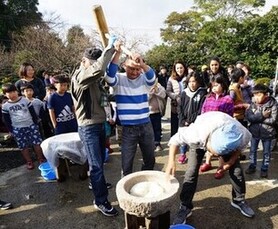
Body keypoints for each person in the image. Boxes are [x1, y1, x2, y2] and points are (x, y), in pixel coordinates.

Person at [165, 111, 255, 225]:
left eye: (218, 155)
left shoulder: (241, 134)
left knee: (236, 170)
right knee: (191, 172)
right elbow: (174, 140)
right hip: (206, 128)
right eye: (215, 154)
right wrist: (171, 162)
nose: (217, 157)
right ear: (208, 144)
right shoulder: (195, 133)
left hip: (224, 127)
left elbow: (239, 149)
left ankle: (239, 200)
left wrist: (230, 162)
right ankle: (185, 206)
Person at [71, 38, 119, 217]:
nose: (96, 69)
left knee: (100, 162)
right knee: (96, 165)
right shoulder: (80, 77)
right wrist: (109, 49)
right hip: (88, 127)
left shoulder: (95, 79)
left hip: (100, 124)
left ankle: (96, 183)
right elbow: (98, 68)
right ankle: (100, 201)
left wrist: (108, 113)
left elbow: (103, 95)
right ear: (84, 62)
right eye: (91, 64)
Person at [105, 47, 156, 177]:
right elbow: (109, 76)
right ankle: (126, 190)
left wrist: (142, 64)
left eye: (137, 69)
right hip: (128, 129)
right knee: (126, 164)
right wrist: (117, 53)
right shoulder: (119, 79)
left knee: (149, 160)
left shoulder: (143, 79)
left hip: (146, 126)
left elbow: (152, 78)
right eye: (131, 68)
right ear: (124, 66)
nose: (134, 72)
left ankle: (146, 182)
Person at [2, 83, 46, 170]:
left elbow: (33, 113)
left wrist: (35, 123)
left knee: (37, 143)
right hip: (17, 129)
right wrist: (11, 130)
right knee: (23, 146)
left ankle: (40, 158)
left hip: (31, 125)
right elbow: (7, 121)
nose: (13, 94)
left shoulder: (25, 100)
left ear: (17, 91)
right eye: (9, 92)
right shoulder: (5, 106)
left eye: (14, 91)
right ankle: (29, 161)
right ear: (5, 94)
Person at [199, 75, 234, 178]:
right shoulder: (208, 97)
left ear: (223, 85)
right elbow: (203, 110)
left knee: (219, 148)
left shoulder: (228, 99)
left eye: (217, 84)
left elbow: (229, 116)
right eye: (212, 85)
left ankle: (221, 167)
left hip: (220, 128)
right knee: (208, 145)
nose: (214, 87)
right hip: (209, 126)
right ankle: (207, 162)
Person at [245, 84, 278, 178]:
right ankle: (252, 166)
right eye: (254, 95)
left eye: (259, 95)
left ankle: (264, 169)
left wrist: (257, 119)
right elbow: (249, 117)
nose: (256, 97)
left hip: (268, 133)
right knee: (252, 151)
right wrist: (263, 116)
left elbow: (273, 120)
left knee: (266, 153)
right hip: (254, 132)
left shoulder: (273, 104)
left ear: (266, 94)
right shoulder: (252, 104)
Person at [177, 71, 207, 164]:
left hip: (195, 122)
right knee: (183, 139)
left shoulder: (202, 93)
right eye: (190, 81)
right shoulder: (184, 93)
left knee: (195, 140)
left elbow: (200, 109)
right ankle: (182, 154)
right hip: (183, 121)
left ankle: (197, 157)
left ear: (198, 82)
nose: (192, 84)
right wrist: (183, 120)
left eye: (194, 81)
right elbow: (180, 107)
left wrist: (190, 121)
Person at [166, 60, 188, 137]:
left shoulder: (188, 77)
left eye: (181, 68)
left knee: (185, 126)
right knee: (175, 126)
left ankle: (184, 146)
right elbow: (168, 91)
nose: (179, 70)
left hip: (186, 105)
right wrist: (176, 97)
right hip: (175, 106)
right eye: (177, 68)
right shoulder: (171, 79)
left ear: (184, 68)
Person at [148, 79, 167, 152]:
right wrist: (151, 93)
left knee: (157, 129)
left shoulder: (159, 86)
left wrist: (157, 91)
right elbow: (144, 98)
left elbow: (164, 94)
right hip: (148, 113)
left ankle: (157, 143)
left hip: (157, 112)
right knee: (149, 130)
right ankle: (150, 144)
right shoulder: (144, 86)